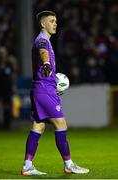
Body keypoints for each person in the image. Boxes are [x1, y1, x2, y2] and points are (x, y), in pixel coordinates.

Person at [21, 10, 89, 175]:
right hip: (45, 90)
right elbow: (43, 53)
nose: (55, 24)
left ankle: (27, 165)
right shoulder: (43, 41)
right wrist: (46, 63)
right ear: (43, 24)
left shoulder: (44, 40)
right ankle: (69, 164)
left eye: (56, 21)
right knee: (61, 125)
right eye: (51, 21)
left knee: (39, 126)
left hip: (40, 90)